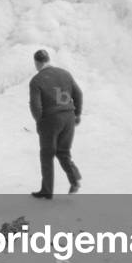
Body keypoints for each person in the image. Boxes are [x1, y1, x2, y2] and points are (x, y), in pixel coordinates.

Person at [28, 48, 82, 199]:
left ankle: (47, 190)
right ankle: (75, 179)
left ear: (37, 62)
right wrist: (76, 114)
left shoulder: (37, 80)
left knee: (47, 154)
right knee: (63, 152)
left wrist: (39, 122)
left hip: (51, 120)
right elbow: (78, 94)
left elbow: (36, 106)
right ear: (48, 60)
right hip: (68, 117)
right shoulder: (65, 73)